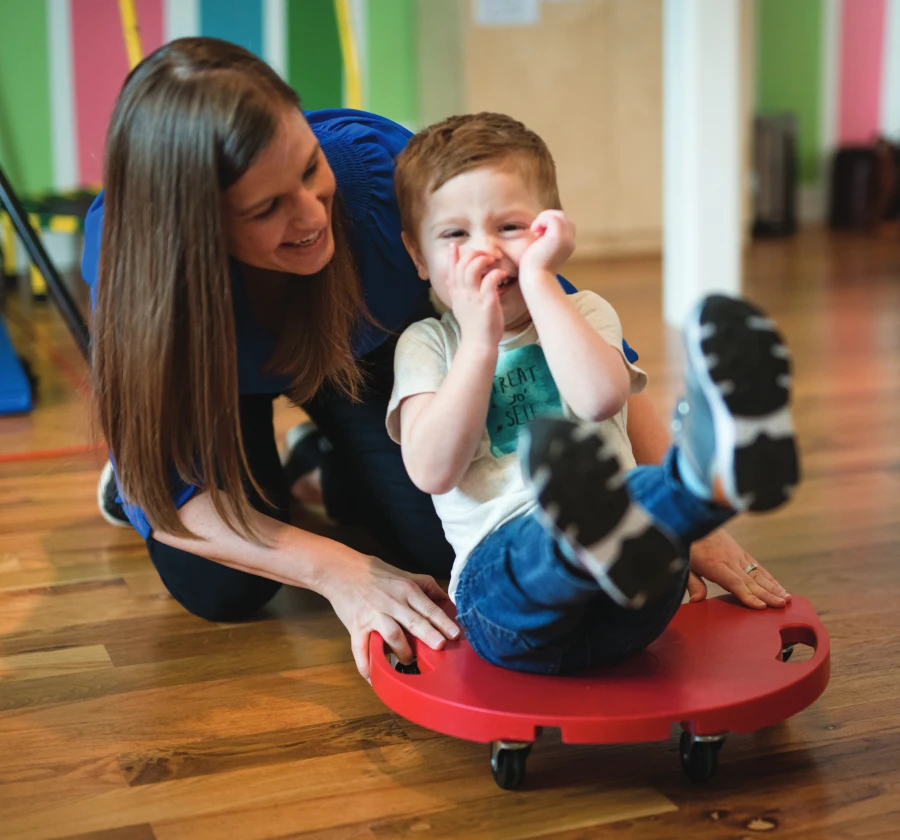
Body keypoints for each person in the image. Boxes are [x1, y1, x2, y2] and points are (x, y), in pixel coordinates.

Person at [85, 37, 789, 684]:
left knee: (434, 557)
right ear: (195, 232)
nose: (310, 215)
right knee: (223, 592)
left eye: (309, 168)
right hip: (217, 376)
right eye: (269, 207)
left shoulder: (372, 175)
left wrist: (684, 519)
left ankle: (326, 464)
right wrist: (341, 573)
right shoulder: (139, 271)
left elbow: (561, 340)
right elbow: (183, 499)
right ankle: (140, 472)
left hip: (356, 345)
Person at [387, 113, 799, 672]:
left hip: (634, 603)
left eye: (510, 227)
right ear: (418, 256)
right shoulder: (428, 344)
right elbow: (433, 470)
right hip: (509, 600)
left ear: (550, 230)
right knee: (542, 544)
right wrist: (479, 342)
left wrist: (538, 281)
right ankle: (599, 535)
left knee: (647, 502)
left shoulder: (583, 311)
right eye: (455, 235)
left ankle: (712, 469)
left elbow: (600, 399)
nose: (486, 250)